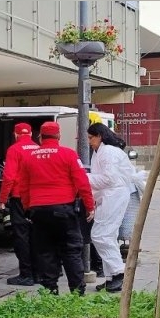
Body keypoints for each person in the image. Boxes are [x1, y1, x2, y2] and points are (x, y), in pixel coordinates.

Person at [20, 121, 95, 295]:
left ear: (40, 137)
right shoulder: (68, 154)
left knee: (45, 251)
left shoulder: (29, 157)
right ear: (58, 136)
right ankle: (77, 292)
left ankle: (50, 291)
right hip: (64, 210)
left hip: (38, 211)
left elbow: (23, 187)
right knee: (71, 251)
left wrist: (27, 209)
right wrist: (89, 206)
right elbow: (82, 182)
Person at [87, 122, 139, 293]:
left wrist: (84, 178)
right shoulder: (102, 152)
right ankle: (112, 277)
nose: (89, 141)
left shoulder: (108, 152)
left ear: (99, 136)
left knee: (101, 235)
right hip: (110, 196)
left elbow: (108, 179)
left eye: (90, 137)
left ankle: (119, 273)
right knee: (107, 235)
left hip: (114, 195)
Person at [0, 122, 39, 286]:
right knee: (35, 235)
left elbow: (9, 177)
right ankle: (37, 272)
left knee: (21, 236)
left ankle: (26, 274)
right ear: (30, 134)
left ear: (15, 134)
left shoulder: (14, 150)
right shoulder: (37, 148)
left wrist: (2, 199)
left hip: (19, 197)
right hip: (36, 198)